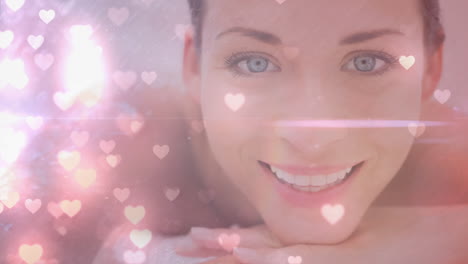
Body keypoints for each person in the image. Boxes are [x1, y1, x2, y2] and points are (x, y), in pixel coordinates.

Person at [93, 0, 468, 263]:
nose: (312, 140)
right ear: (193, 67)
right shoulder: (117, 159)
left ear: (431, 69)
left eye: (366, 63)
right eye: (255, 64)